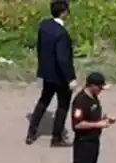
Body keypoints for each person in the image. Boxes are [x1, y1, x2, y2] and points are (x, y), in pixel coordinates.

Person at [26, 0, 75, 147]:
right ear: (64, 12)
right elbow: (63, 59)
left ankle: (31, 133)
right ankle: (57, 137)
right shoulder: (61, 34)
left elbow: (40, 49)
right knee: (62, 105)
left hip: (47, 73)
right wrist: (70, 78)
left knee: (43, 101)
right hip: (60, 76)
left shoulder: (44, 26)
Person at [69, 71, 114, 163]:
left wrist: (105, 119)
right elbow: (77, 125)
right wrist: (98, 125)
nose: (101, 91)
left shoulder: (94, 97)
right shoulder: (80, 101)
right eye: (100, 88)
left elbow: (93, 117)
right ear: (92, 86)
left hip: (94, 141)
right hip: (83, 143)